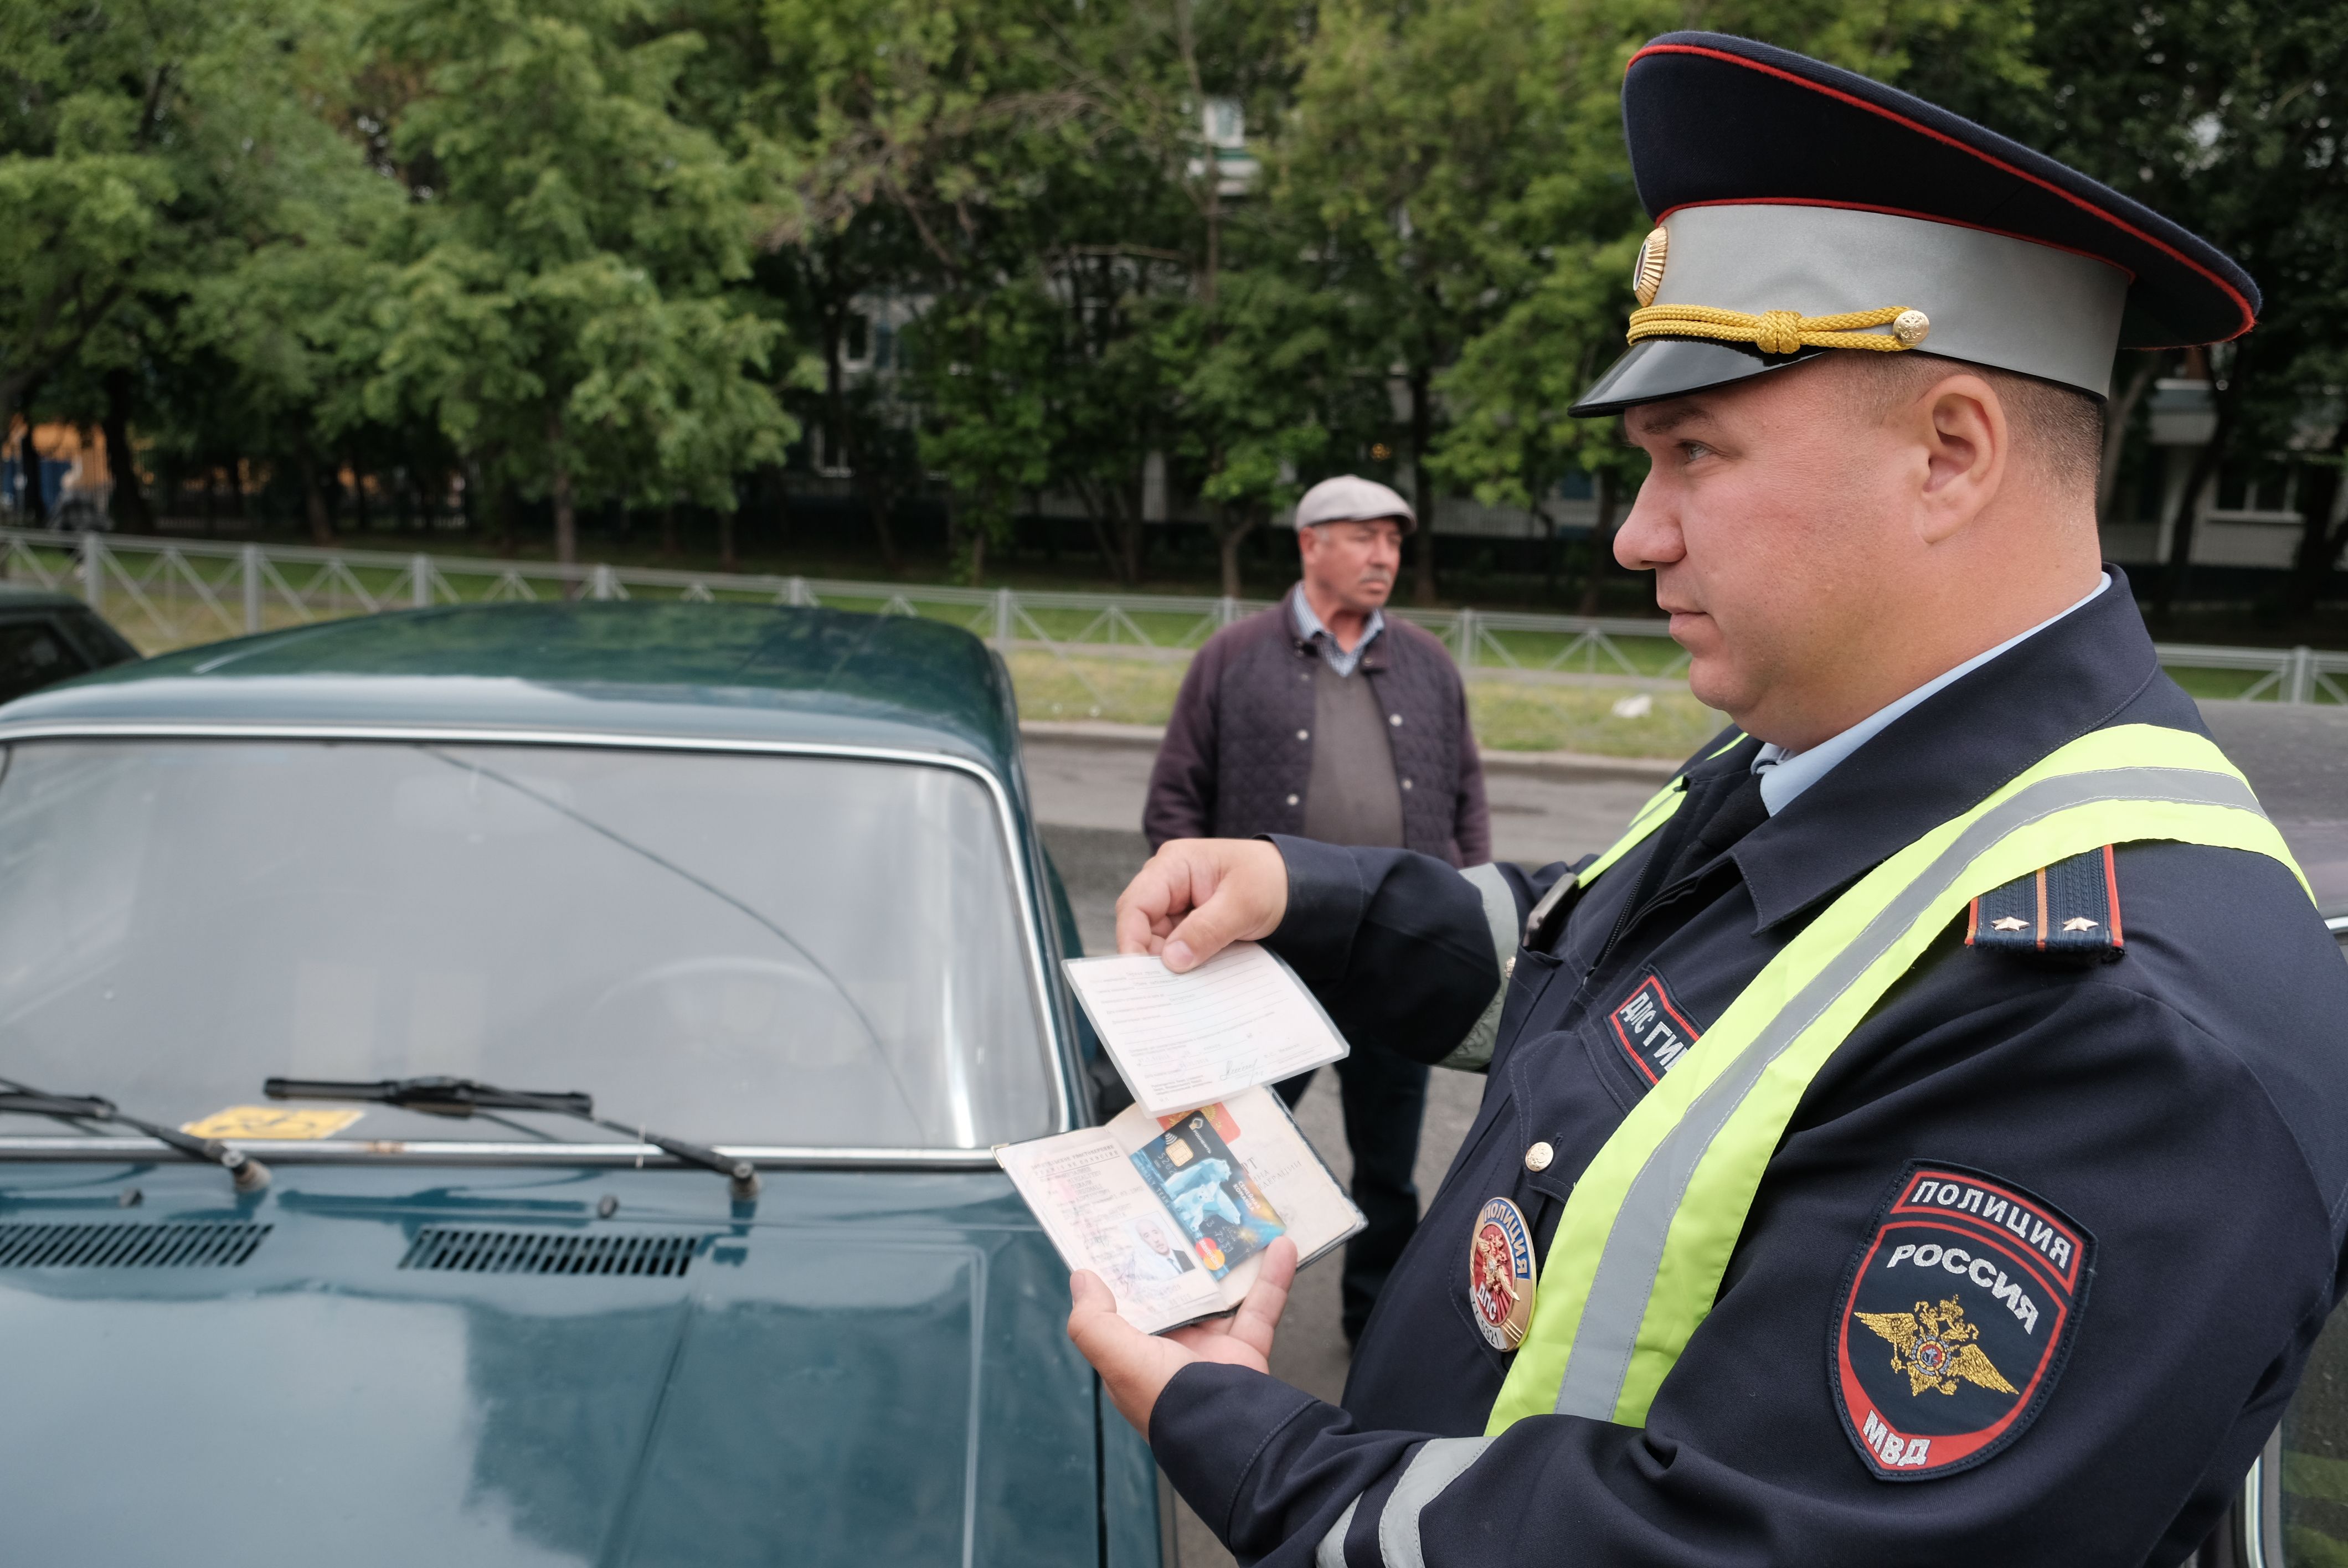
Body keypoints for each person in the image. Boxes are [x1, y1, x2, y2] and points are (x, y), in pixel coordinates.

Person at [1066, 32, 2348, 1568]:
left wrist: (1231, 1419)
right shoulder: (1845, 755)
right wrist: (1307, 893)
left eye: (1691, 454)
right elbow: (1629, 966)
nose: (1635, 535)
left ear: (1950, 454)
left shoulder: (2118, 1026)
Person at [1144, 472, 1491, 1343]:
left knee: (1390, 1165)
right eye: (1365, 537)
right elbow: (1176, 805)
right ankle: (1208, 1317)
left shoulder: (1428, 664)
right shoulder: (1232, 659)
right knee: (1234, 1151)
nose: (1386, 556)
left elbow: (1467, 799)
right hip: (1261, 969)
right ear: (1310, 545)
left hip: (1394, 963)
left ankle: (1376, 1329)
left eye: (1395, 540)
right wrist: (1190, 907)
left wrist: (1465, 901)